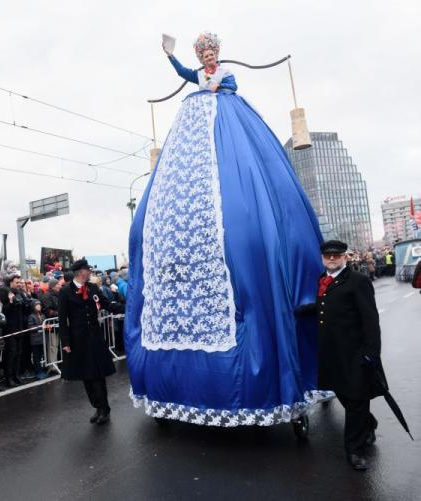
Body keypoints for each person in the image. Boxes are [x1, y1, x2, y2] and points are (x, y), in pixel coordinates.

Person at [124, 32, 324, 427]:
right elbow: (185, 73)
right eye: (204, 54)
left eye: (211, 52)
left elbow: (224, 85)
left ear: (218, 53)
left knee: (244, 202)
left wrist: (215, 86)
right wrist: (171, 56)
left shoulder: (226, 79)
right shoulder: (197, 77)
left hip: (225, 126)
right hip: (195, 127)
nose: (208, 58)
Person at [301, 240, 383, 471]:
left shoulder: (359, 281)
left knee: (356, 399)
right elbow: (325, 305)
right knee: (346, 396)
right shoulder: (322, 279)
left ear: (345, 257)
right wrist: (304, 310)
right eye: (328, 256)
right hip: (332, 353)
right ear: (322, 258)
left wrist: (372, 353)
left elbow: (370, 319)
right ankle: (369, 424)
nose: (332, 259)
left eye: (337, 255)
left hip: (356, 353)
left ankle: (355, 450)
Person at [58, 260, 124, 424]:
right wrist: (65, 341)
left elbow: (107, 305)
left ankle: (104, 409)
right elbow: (62, 319)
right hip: (78, 339)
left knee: (98, 374)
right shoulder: (66, 292)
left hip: (94, 338)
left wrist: (128, 307)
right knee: (86, 375)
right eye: (88, 270)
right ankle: (97, 406)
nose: (90, 272)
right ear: (81, 272)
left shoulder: (93, 288)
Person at [27, 301, 46, 379]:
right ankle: (38, 372)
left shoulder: (43, 315)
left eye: (39, 305)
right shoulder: (31, 316)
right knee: (36, 357)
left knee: (41, 356)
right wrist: (40, 327)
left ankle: (41, 370)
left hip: (42, 339)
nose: (39, 306)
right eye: (36, 305)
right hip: (35, 340)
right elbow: (30, 327)